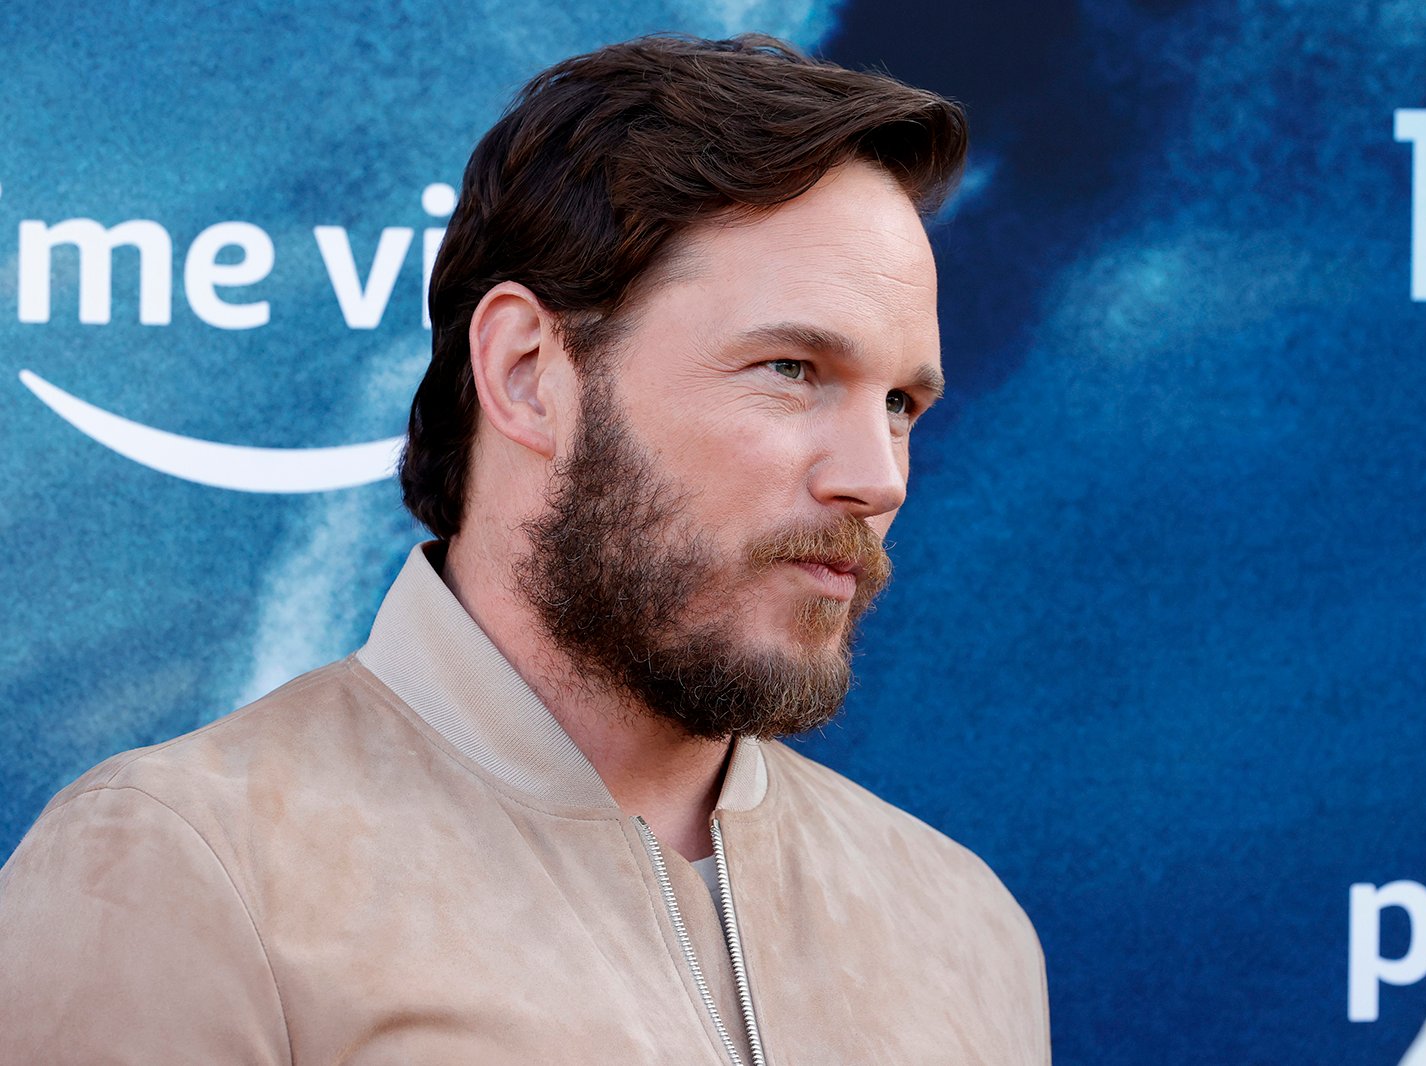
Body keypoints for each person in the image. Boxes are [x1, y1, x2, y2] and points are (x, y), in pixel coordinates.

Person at [0, 33, 1049, 1064]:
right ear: (525, 372)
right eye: (791, 369)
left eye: (901, 402)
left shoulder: (964, 930)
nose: (878, 477)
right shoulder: (182, 868)